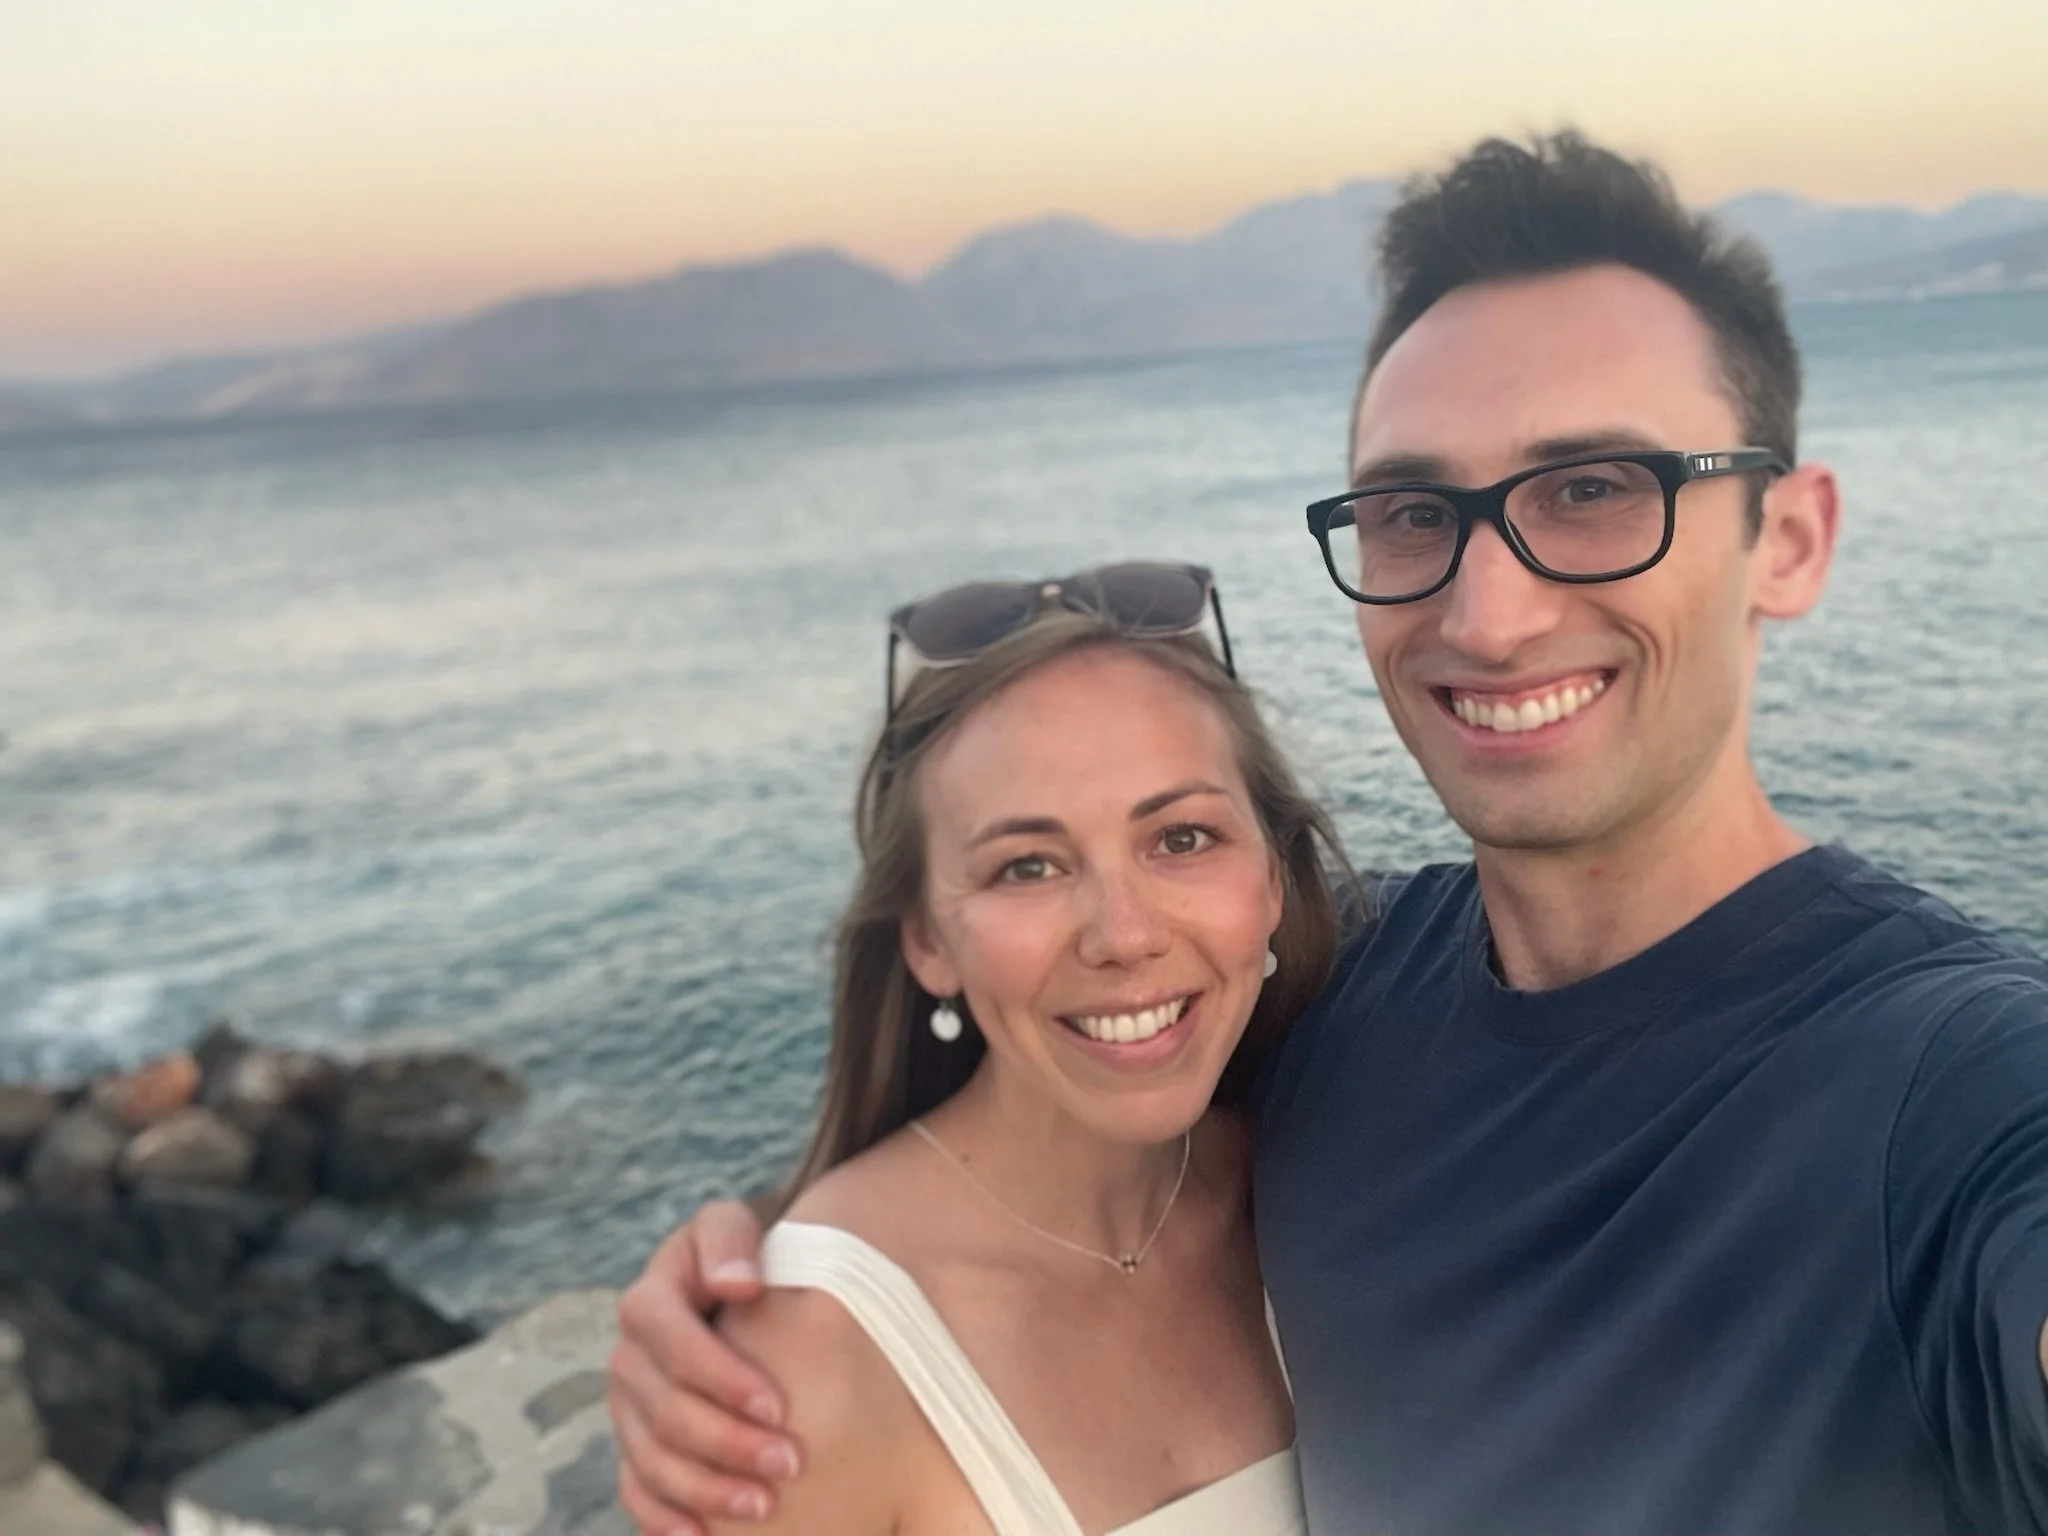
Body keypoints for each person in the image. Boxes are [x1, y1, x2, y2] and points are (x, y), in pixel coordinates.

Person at [609, 133, 2048, 1536]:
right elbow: (1059, 1100)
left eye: (1597, 490)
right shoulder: (1331, 1001)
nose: (1487, 615)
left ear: (1787, 542)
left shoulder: (1952, 1087)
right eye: (1416, 512)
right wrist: (760, 1271)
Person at [625, 561, 1359, 1535]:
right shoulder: (808, 1367)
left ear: (1271, 878)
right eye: (1027, 865)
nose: (1124, 934)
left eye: (1180, 839)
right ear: (926, 939)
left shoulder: (1336, 1168)